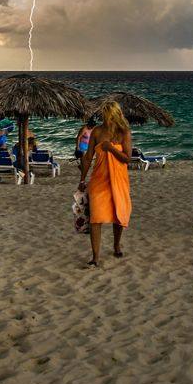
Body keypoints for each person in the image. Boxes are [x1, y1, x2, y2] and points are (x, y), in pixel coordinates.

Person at [77, 100, 132, 267]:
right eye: (103, 114)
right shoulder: (97, 132)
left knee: (119, 214)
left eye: (107, 114)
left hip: (119, 180)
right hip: (99, 180)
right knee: (96, 218)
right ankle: (95, 256)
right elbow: (88, 158)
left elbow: (127, 159)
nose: (104, 117)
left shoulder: (124, 133)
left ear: (114, 114)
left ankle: (116, 245)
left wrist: (112, 148)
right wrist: (82, 179)